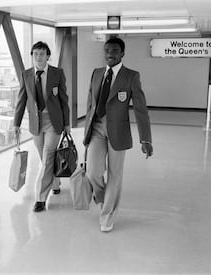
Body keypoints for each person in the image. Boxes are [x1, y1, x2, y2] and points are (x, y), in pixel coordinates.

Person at [83, 37, 153, 232]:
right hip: (97, 128)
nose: (110, 54)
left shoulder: (131, 76)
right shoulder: (96, 73)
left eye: (114, 50)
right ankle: (103, 199)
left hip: (118, 131)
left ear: (122, 53)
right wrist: (86, 133)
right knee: (93, 172)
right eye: (106, 50)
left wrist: (145, 138)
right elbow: (90, 104)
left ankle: (107, 216)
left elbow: (140, 109)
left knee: (115, 175)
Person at [14, 41, 70, 212]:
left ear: (48, 56)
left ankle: (40, 198)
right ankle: (55, 183)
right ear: (32, 56)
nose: (38, 57)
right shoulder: (26, 74)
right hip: (36, 124)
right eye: (35, 54)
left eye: (42, 53)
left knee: (47, 158)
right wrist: (16, 122)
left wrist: (67, 123)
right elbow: (22, 99)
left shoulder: (57, 73)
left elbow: (63, 100)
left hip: (54, 122)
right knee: (44, 158)